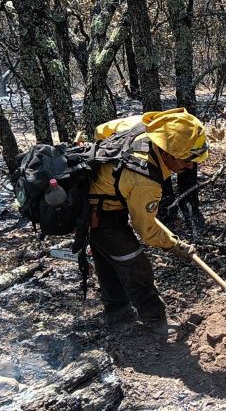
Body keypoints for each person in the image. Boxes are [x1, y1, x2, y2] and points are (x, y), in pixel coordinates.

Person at [88, 108, 209, 335]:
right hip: (102, 215)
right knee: (135, 264)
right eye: (186, 160)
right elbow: (147, 231)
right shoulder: (145, 181)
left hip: (99, 204)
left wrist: (110, 176)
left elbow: (99, 131)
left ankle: (118, 315)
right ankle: (155, 320)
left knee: (110, 261)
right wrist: (176, 246)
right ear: (166, 151)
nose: (191, 166)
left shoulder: (142, 126)